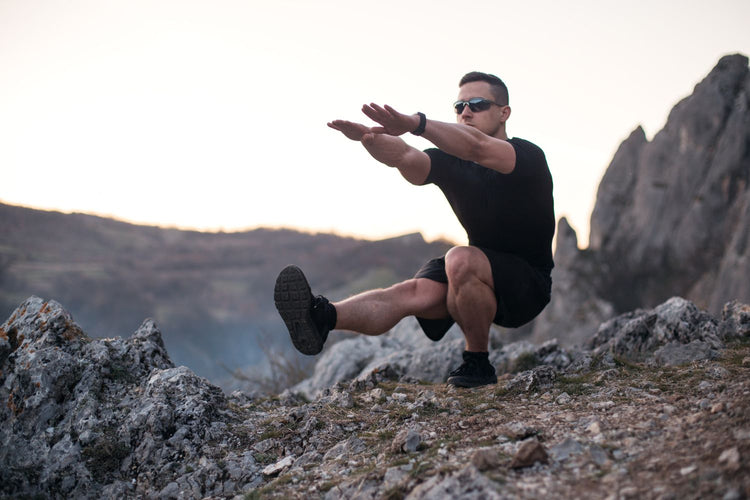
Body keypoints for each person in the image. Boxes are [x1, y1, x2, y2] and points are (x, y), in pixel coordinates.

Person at [274, 71, 555, 388]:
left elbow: (477, 147)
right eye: (459, 105)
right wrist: (370, 138)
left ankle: (477, 362)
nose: (465, 112)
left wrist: (416, 123)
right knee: (411, 293)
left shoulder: (527, 157)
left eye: (477, 104)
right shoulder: (451, 161)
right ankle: (322, 316)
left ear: (504, 112)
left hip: (528, 285)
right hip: (475, 275)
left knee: (459, 258)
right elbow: (406, 156)